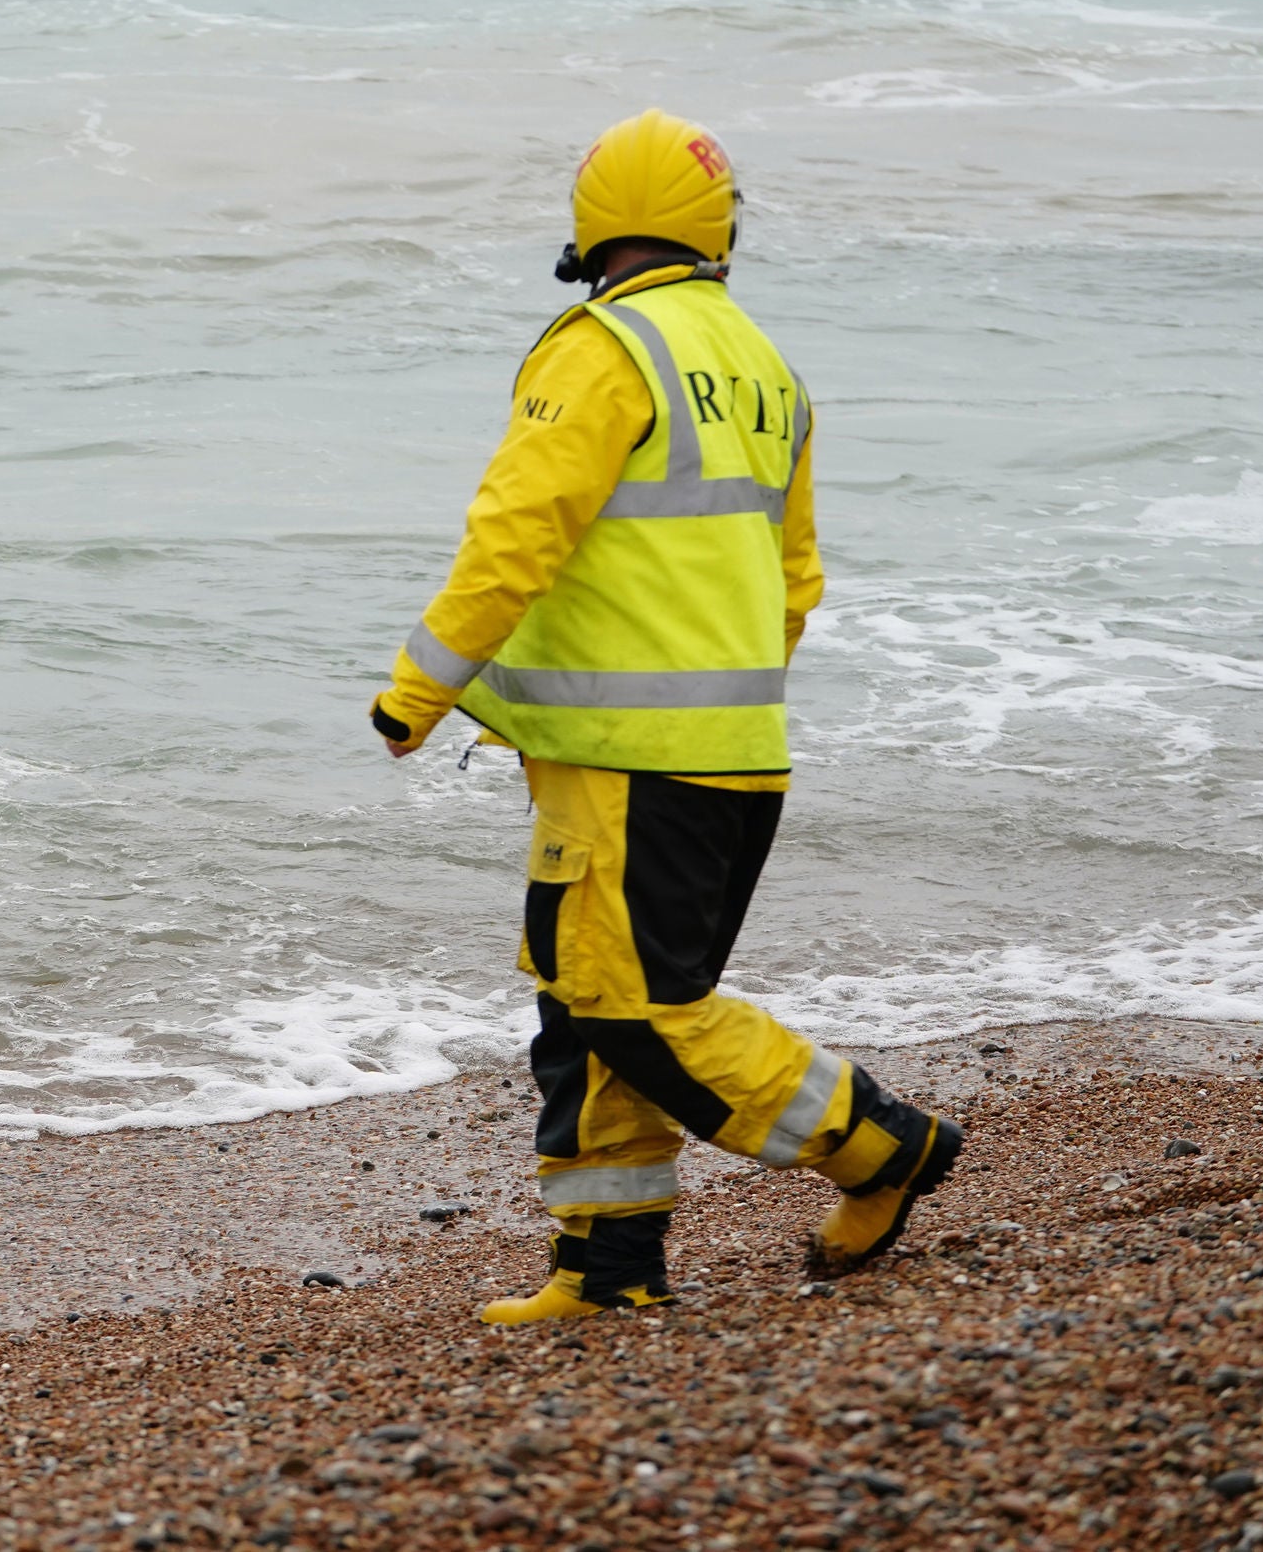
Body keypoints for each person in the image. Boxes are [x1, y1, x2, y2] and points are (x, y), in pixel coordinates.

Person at [367, 109, 962, 1325]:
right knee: (585, 1009)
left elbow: (514, 536)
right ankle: (608, 1270)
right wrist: (720, 702)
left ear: (593, 228)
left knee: (630, 1008)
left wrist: (416, 693)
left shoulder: (604, 348)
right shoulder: (764, 367)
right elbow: (797, 584)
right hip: (731, 756)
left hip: (626, 760)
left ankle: (878, 1144)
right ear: (720, 229)